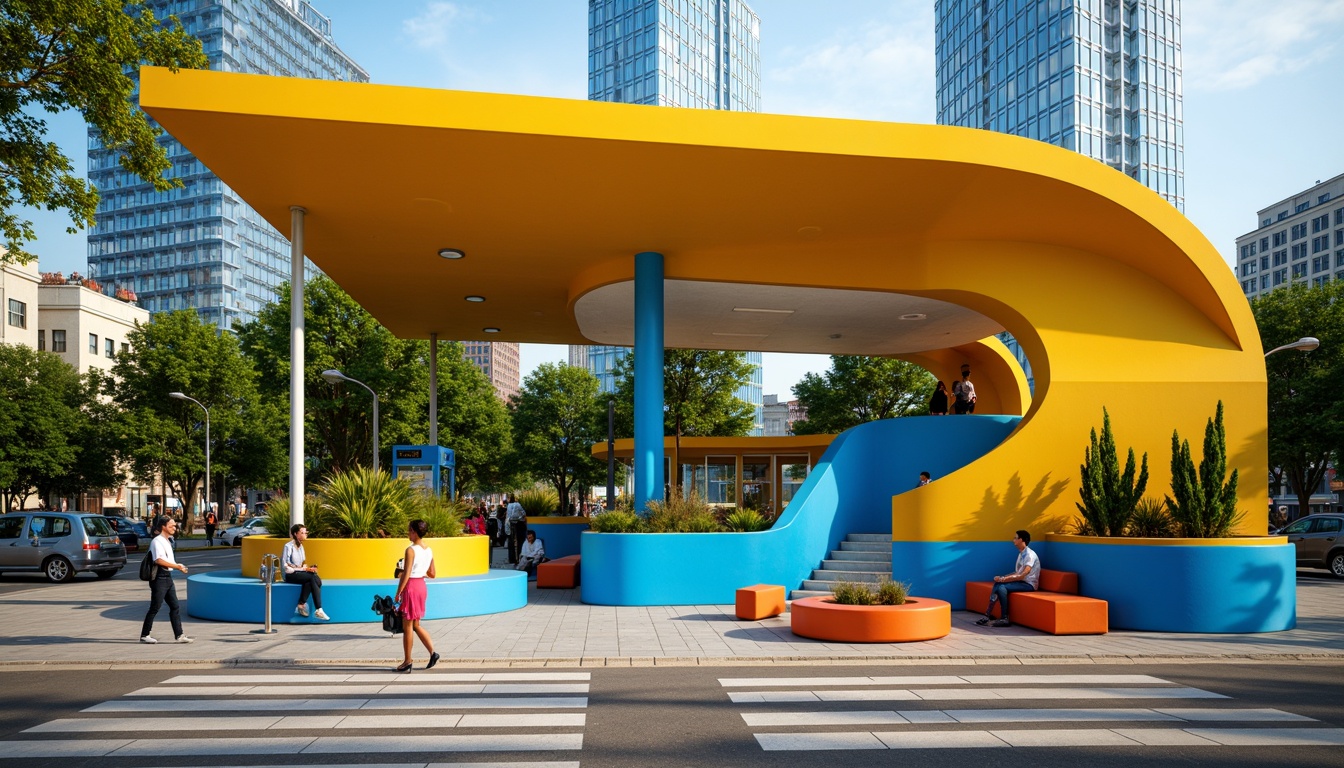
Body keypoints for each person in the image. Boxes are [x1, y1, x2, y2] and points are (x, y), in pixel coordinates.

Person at [394, 519, 439, 672]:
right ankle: (433, 652)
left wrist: (398, 592)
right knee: (416, 624)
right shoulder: (429, 550)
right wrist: (421, 568)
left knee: (407, 627)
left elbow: (406, 573)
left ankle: (407, 661)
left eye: (409, 530)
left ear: (414, 531)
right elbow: (432, 573)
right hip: (422, 586)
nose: (408, 533)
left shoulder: (410, 550)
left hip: (411, 586)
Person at [140, 515, 193, 644]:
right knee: (155, 607)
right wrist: (177, 567)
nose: (175, 528)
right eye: (171, 526)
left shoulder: (168, 540)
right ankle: (145, 635)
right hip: (159, 578)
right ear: (163, 527)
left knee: (175, 606)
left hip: (167, 577)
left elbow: (168, 559)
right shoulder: (157, 541)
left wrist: (178, 566)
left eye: (175, 525)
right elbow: (158, 560)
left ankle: (179, 635)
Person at [976, 530, 1040, 628]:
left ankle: (1004, 618)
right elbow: (1017, 573)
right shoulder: (1021, 554)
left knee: (1002, 587)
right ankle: (987, 615)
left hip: (1029, 584)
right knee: (997, 584)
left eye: (1015, 538)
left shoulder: (1030, 555)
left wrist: (1004, 580)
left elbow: (1023, 575)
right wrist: (1002, 578)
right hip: (1021, 582)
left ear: (1021, 540)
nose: (1013, 540)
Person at [282, 524, 329, 620]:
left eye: (305, 532)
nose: (305, 534)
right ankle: (318, 609)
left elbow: (302, 563)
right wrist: (305, 569)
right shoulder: (288, 546)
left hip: (299, 573)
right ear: (296, 534)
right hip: (290, 575)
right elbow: (286, 565)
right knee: (313, 578)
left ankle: (301, 604)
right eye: (302, 532)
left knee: (312, 580)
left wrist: (308, 568)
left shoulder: (301, 546)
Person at [506, 494, 527, 565]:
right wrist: (521, 518)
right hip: (519, 524)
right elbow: (524, 513)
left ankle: (512, 559)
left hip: (511, 524)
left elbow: (508, 516)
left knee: (512, 542)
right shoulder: (518, 505)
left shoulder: (508, 506)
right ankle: (519, 558)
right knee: (520, 542)